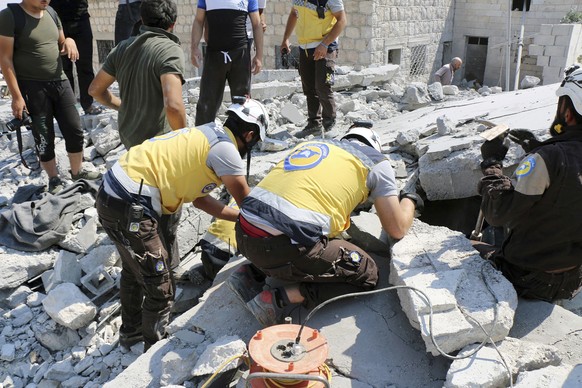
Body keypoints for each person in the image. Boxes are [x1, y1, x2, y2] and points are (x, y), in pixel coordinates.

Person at [95, 98, 268, 350]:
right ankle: (151, 350)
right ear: (250, 134)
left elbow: (200, 201)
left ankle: (130, 333)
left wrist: (237, 218)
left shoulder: (209, 133)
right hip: (131, 202)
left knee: (134, 270)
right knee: (160, 286)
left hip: (114, 192)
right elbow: (248, 204)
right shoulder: (227, 151)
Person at [227, 122, 421, 326]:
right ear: (374, 147)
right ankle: (281, 298)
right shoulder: (376, 163)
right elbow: (397, 229)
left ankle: (249, 274)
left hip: (242, 232)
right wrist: (409, 199)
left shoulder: (314, 145)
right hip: (283, 248)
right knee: (367, 273)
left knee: (288, 224)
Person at [475, 64, 582, 302]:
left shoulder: (548, 159)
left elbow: (496, 214)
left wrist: (492, 163)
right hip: (573, 277)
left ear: (568, 111)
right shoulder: (550, 157)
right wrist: (535, 147)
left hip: (530, 278)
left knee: (472, 244)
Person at [0, 0, 101, 194]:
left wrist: (69, 41)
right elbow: (5, 59)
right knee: (44, 136)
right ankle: (54, 178)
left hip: (60, 81)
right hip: (33, 86)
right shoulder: (9, 16)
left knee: (75, 129)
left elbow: (62, 42)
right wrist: (16, 96)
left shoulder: (52, 13)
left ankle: (77, 171)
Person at [89, 0, 186, 150]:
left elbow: (95, 90)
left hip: (129, 139)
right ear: (172, 24)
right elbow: (173, 106)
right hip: (159, 144)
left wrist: (121, 106)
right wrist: (184, 139)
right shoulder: (170, 50)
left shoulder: (122, 48)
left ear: (142, 19)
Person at [190, 0, 263, 126]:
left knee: (242, 103)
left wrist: (259, 56)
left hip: (240, 55)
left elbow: (257, 24)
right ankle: (202, 140)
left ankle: (242, 141)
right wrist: (194, 47)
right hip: (214, 55)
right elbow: (198, 20)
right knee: (206, 104)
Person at [281, 0, 346, 139]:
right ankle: (314, 125)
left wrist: (324, 44)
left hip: (325, 47)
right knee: (309, 88)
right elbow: (294, 13)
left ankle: (329, 125)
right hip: (304, 48)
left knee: (323, 86)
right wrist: (285, 38)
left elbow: (342, 19)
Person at [50, 0, 102, 115]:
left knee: (85, 66)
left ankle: (87, 104)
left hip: (81, 20)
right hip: (57, 23)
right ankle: (68, 106)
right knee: (64, 69)